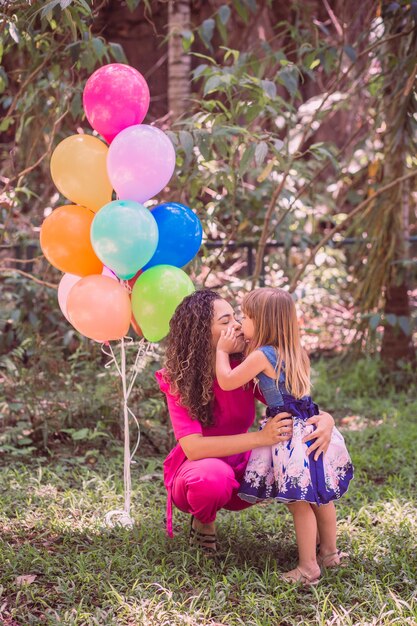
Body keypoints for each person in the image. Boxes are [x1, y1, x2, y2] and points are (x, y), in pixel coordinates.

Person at [155, 289, 336, 556]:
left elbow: (293, 402)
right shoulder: (177, 378)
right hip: (198, 470)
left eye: (236, 318)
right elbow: (194, 449)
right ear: (202, 332)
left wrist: (327, 421)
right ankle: (204, 521)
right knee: (211, 478)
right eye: (225, 321)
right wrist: (261, 439)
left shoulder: (246, 366)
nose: (237, 325)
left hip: (241, 463)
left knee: (294, 461)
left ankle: (323, 544)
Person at [216, 287, 353, 585]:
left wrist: (222, 351)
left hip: (288, 435)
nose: (241, 322)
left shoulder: (263, 356)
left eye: (246, 316)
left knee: (299, 502)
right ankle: (329, 553)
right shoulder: (297, 352)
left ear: (262, 322)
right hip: (311, 428)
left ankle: (308, 568)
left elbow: (226, 382)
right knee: (321, 496)